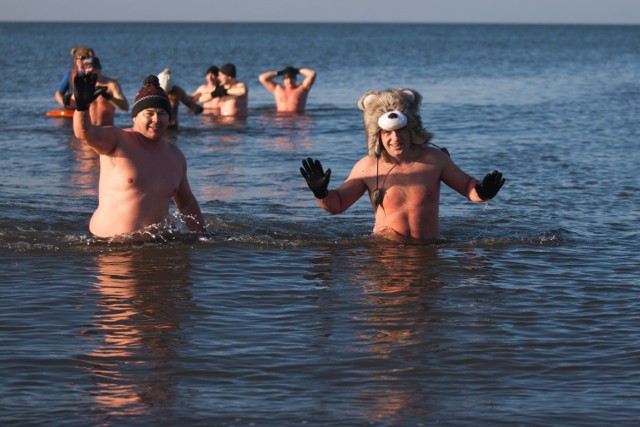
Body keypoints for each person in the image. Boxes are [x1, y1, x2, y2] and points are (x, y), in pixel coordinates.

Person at [300, 88, 505, 244]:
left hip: (428, 250)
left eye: (401, 131)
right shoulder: (367, 167)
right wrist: (321, 193)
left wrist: (483, 191)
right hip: (385, 251)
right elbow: (337, 205)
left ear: (412, 131)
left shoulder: (434, 159)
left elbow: (467, 186)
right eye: (387, 133)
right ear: (377, 136)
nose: (395, 138)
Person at [72, 73, 207, 238]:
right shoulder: (117, 140)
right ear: (135, 117)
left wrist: (204, 237)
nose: (156, 119)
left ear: (169, 118)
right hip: (107, 246)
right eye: (149, 113)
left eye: (162, 113)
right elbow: (85, 134)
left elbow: (187, 203)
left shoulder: (175, 156)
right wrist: (82, 108)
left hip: (155, 247)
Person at [82, 57, 129, 126]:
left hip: (106, 129)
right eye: (88, 71)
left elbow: (125, 107)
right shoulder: (83, 86)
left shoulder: (111, 85)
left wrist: (108, 96)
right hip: (89, 129)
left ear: (99, 69)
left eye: (94, 70)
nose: (91, 73)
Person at [55, 45, 94, 109]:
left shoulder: (94, 74)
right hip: (74, 106)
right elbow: (58, 94)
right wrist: (65, 103)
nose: (79, 60)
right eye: (77, 57)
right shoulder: (70, 75)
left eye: (83, 58)